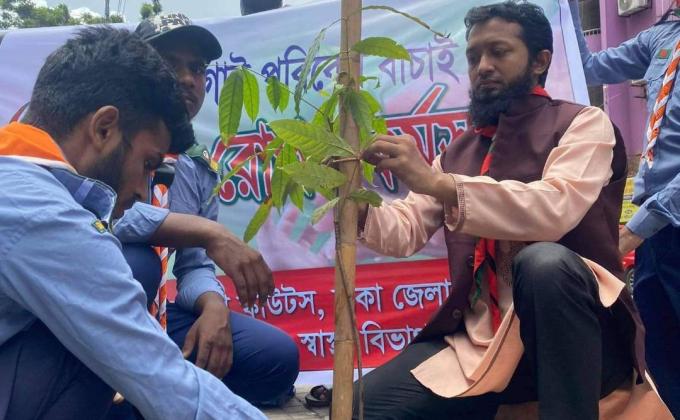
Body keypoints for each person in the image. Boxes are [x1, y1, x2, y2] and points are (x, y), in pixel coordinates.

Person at [350, 2, 670, 419]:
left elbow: (554, 209)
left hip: (584, 344)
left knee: (545, 263)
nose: (483, 66)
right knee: (358, 408)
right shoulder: (458, 153)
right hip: (484, 344)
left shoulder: (583, 124)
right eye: (473, 57)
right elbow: (404, 230)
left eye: (498, 52)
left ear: (540, 62)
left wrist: (439, 184)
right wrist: (353, 200)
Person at [0, 26, 264, 419]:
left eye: (196, 68)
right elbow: (159, 375)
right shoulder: (43, 213)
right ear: (104, 128)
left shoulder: (18, 173)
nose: (144, 191)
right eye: (147, 165)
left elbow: (184, 264)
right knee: (101, 338)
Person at [111, 12, 299, 410]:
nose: (186, 79)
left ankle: (164, 387)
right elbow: (110, 221)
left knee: (276, 358)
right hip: (101, 306)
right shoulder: (107, 137)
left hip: (162, 315)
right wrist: (205, 231)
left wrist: (214, 305)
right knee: (138, 263)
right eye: (169, 64)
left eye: (196, 69)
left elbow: (194, 266)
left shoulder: (198, 167)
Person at [569, 1, 680, 415]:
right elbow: (589, 68)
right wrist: (565, 10)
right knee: (660, 350)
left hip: (656, 222)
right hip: (658, 235)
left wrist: (635, 230)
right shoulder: (661, 37)